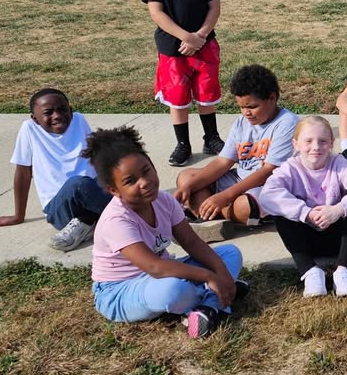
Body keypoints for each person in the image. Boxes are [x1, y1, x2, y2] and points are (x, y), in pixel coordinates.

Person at [84, 125, 244, 338]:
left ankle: (208, 307)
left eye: (146, 171)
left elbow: (192, 243)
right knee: (173, 291)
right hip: (120, 291)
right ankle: (215, 295)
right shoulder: (116, 220)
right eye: (130, 181)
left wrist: (220, 271)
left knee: (230, 254)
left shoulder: (164, 200)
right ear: (114, 190)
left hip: (164, 274)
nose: (144, 182)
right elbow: (155, 267)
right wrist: (209, 275)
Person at [259, 116, 347, 298]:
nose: (316, 147)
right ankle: (310, 271)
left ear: (332, 143)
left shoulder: (340, 164)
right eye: (308, 141)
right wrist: (305, 213)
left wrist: (338, 210)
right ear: (296, 144)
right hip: (306, 239)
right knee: (281, 211)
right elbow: (267, 195)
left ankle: (343, 269)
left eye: (323, 141)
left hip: (340, 238)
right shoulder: (290, 168)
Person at [141, 0, 225, 166]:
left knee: (206, 94)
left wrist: (199, 36)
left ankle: (212, 137)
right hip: (173, 48)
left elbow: (214, 7)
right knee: (177, 98)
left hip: (204, 45)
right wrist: (185, 37)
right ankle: (183, 144)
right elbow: (156, 13)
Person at [173, 64, 297, 230]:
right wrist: (189, 187)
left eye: (252, 106)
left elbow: (268, 171)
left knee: (246, 205)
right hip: (239, 180)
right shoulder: (242, 122)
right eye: (242, 107)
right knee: (187, 177)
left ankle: (211, 215)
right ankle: (216, 216)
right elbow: (223, 162)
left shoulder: (287, 123)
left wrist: (225, 196)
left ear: (272, 98)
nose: (246, 112)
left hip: (268, 184)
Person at [0, 87, 111, 251]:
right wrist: (18, 216)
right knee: (78, 183)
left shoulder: (78, 120)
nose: (57, 115)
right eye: (48, 112)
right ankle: (131, 217)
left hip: (92, 194)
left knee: (122, 167)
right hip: (61, 209)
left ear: (70, 109)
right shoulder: (29, 129)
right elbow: (23, 173)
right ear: (35, 119)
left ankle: (86, 223)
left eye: (63, 109)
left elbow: (95, 156)